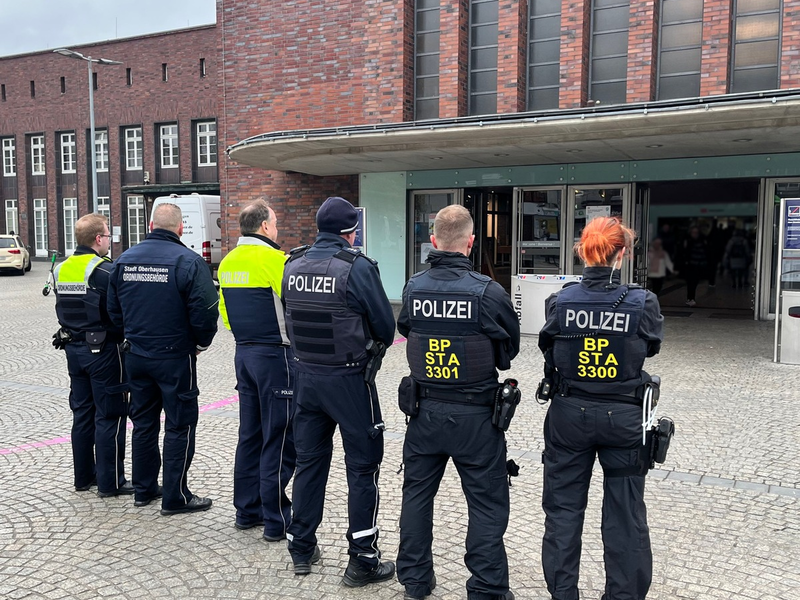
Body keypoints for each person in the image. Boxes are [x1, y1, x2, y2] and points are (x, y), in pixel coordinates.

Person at [396, 204, 521, 600]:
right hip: (476, 417)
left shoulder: (413, 287)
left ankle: (415, 582)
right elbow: (509, 350)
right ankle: (486, 589)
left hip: (424, 412)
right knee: (486, 504)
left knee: (416, 497)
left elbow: (407, 330)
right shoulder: (488, 292)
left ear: (433, 242)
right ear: (470, 243)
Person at [538, 216, 664, 600]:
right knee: (625, 515)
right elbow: (652, 345)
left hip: (568, 415)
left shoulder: (560, 300)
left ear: (583, 251)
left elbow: (549, 343)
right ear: (621, 253)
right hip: (624, 418)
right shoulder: (642, 302)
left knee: (562, 512)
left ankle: (563, 594)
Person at [281, 196, 396, 586]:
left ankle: (300, 546)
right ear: (352, 232)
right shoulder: (356, 267)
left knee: (309, 463)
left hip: (305, 380)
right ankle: (362, 558)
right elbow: (385, 327)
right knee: (362, 467)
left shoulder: (292, 263)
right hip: (349, 382)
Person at [107, 202, 219, 514]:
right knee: (180, 424)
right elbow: (207, 310)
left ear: (151, 225)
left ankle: (143, 490)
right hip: (174, 357)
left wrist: (130, 333)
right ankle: (175, 496)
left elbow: (113, 310)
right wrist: (201, 343)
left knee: (142, 423)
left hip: (137, 355)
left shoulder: (124, 260)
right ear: (181, 228)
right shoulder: (189, 262)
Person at [218, 199, 296, 540]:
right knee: (279, 437)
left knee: (249, 434)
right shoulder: (276, 261)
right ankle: (276, 519)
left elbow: (225, 316)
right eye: (275, 223)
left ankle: (246, 511)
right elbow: (293, 308)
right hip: (276, 357)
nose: (276, 229)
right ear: (265, 227)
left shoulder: (227, 262)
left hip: (244, 355)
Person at [52, 213, 131, 497]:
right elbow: (119, 312)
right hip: (104, 351)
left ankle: (83, 478)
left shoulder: (61, 269)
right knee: (110, 414)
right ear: (98, 239)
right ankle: (112, 482)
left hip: (73, 350)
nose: (109, 240)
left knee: (82, 414)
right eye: (108, 236)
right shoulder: (104, 271)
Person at [680, 225, 707, 307]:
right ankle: (690, 298)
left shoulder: (702, 241)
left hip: (698, 265)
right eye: (693, 232)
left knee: (694, 282)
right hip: (690, 265)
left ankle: (691, 298)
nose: (694, 234)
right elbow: (684, 252)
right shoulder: (688, 241)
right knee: (690, 282)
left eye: (696, 233)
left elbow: (705, 252)